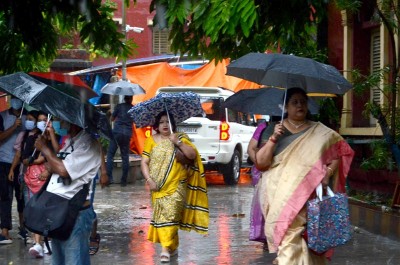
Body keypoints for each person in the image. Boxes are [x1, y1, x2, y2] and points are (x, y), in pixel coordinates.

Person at [255, 87, 355, 264]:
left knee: (310, 240)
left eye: (303, 101)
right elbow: (261, 163)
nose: (299, 105)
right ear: (285, 107)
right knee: (288, 236)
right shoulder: (273, 129)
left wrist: (327, 174)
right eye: (294, 102)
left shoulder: (320, 132)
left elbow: (339, 153)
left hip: (309, 194)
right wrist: (273, 139)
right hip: (278, 193)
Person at [141, 111, 209, 263]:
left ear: (173, 124)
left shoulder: (180, 137)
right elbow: (144, 162)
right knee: (163, 217)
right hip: (157, 187)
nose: (165, 125)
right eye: (162, 122)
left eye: (168, 122)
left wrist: (177, 142)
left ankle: (165, 249)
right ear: (157, 126)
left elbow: (192, 156)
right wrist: (149, 179)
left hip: (177, 185)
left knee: (171, 214)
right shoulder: (150, 141)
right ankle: (172, 246)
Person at [34, 120, 101, 265]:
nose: (59, 123)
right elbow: (55, 166)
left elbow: (64, 170)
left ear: (74, 122)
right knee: (59, 259)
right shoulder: (71, 142)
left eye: (62, 120)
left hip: (75, 211)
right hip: (59, 209)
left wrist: (45, 149)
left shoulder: (88, 144)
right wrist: (49, 149)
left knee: (74, 259)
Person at [0, 97, 25, 244]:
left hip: (22, 164)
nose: (17, 101)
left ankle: (24, 228)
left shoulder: (28, 116)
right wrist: (14, 127)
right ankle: (5, 230)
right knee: (5, 196)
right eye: (14, 98)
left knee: (22, 197)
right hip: (4, 161)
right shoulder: (2, 116)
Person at [247, 119, 268, 248]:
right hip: (264, 173)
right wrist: (260, 163)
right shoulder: (264, 128)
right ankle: (267, 236)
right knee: (265, 204)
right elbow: (251, 149)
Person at [106, 95, 133, 186]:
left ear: (124, 98)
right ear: (131, 99)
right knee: (125, 157)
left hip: (117, 133)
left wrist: (111, 114)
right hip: (127, 134)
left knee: (110, 155)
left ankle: (110, 179)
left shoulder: (119, 106)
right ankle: (123, 181)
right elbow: (135, 121)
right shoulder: (133, 109)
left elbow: (112, 119)